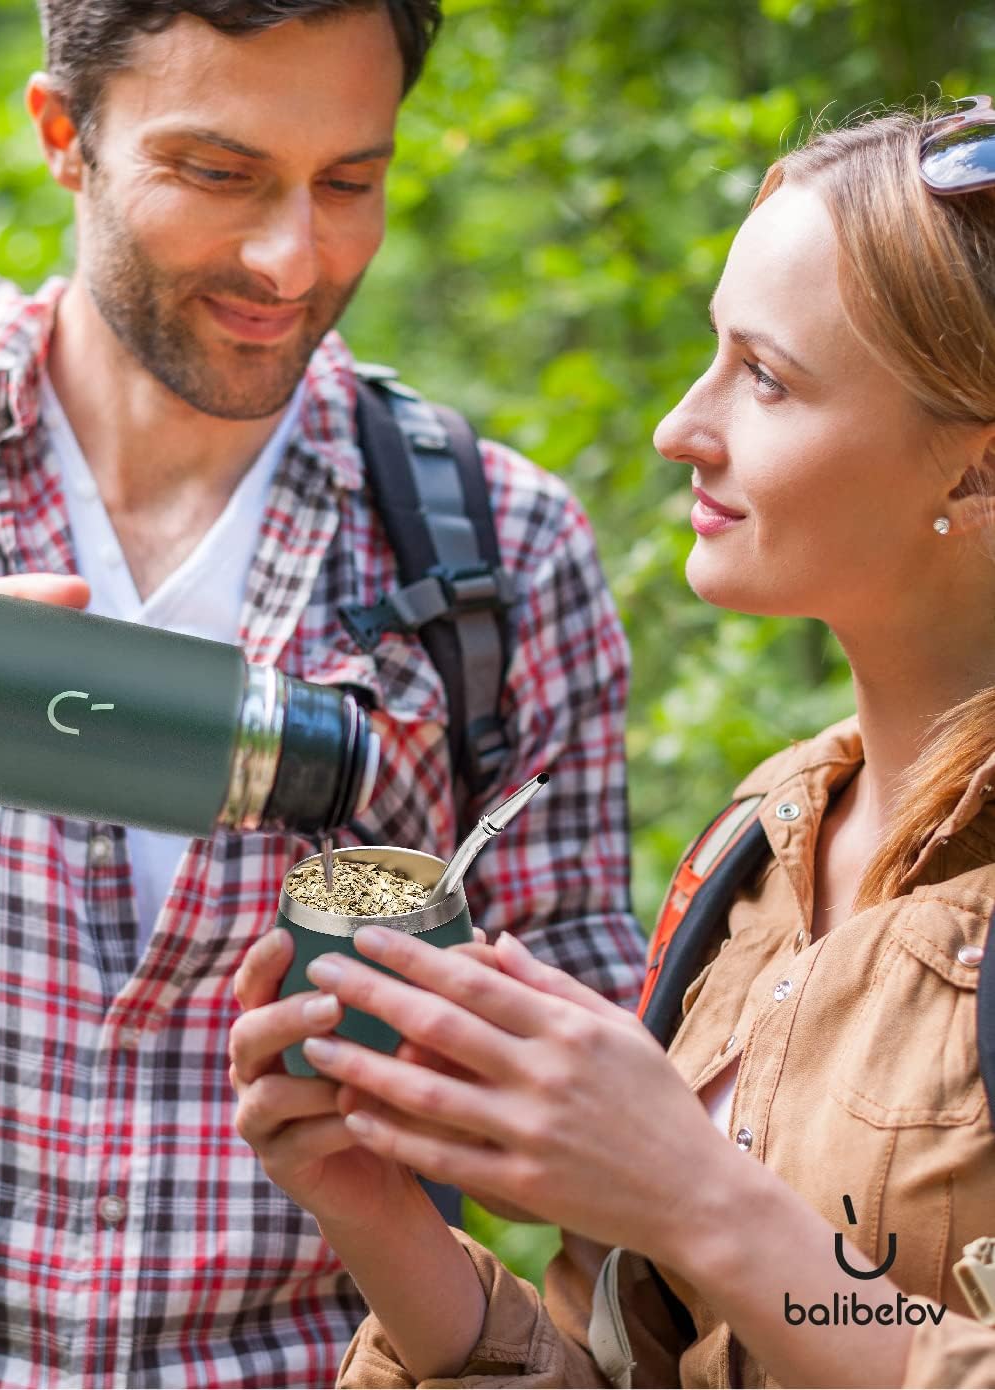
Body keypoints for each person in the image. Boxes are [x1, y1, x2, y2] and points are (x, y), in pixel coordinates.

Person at [0, 1, 646, 1384]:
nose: (293, 257)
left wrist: (436, 1045)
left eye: (350, 181)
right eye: (218, 173)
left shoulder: (496, 556)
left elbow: (594, 1163)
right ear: (62, 134)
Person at [230, 102, 995, 1388]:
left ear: (974, 474)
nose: (679, 428)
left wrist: (698, 1195)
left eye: (766, 377)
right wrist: (379, 1216)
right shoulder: (751, 858)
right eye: (713, 355)